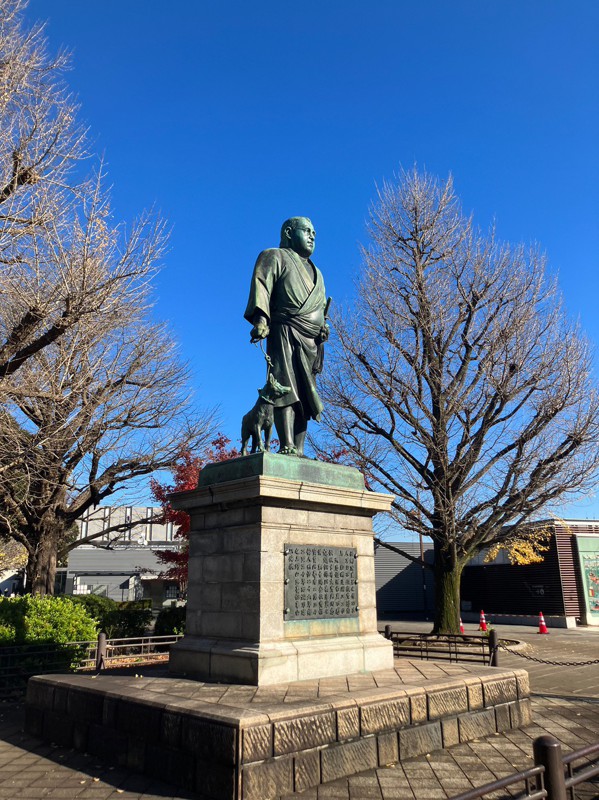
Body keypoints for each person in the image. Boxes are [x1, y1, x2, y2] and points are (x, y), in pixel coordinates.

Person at [244, 217, 329, 456]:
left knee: (306, 392)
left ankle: (299, 449)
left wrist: (323, 327)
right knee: (285, 385)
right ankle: (287, 444)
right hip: (284, 330)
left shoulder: (318, 273)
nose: (313, 236)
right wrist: (261, 319)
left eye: (315, 232)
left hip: (311, 340)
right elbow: (262, 285)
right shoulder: (274, 256)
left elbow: (320, 307)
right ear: (290, 233)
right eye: (307, 231)